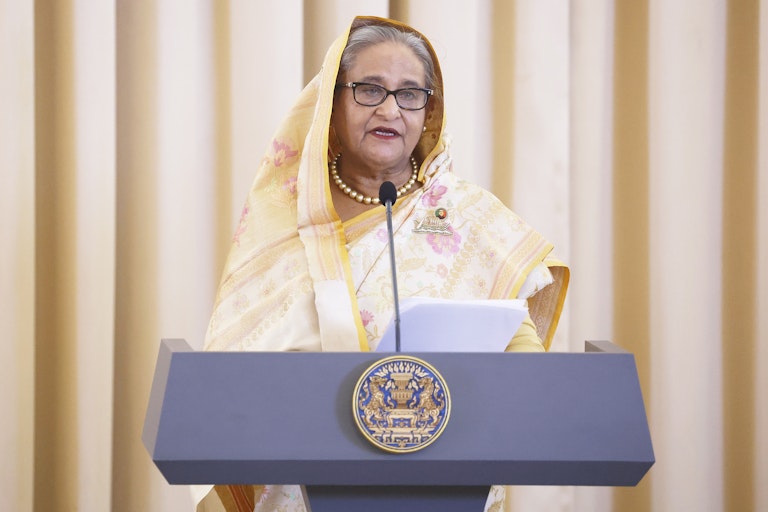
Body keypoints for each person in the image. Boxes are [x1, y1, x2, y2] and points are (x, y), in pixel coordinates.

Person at [194, 15, 569, 512]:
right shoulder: (282, 218)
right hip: (302, 484)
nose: (390, 109)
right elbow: (237, 355)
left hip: (441, 483)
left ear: (428, 111)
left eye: (410, 94)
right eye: (370, 89)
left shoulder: (468, 217)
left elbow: (523, 362)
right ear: (333, 102)